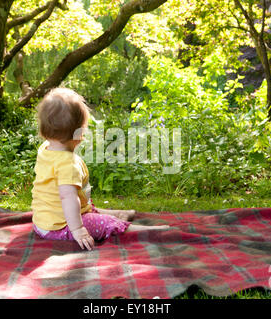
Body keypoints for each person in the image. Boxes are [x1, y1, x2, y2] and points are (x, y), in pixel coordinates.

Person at [31, 88, 169, 250]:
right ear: (79, 134)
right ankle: (142, 230)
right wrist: (78, 230)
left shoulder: (46, 149)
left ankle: (118, 214)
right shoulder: (67, 164)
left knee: (89, 208)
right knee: (103, 223)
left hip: (42, 221)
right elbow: (67, 198)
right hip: (59, 226)